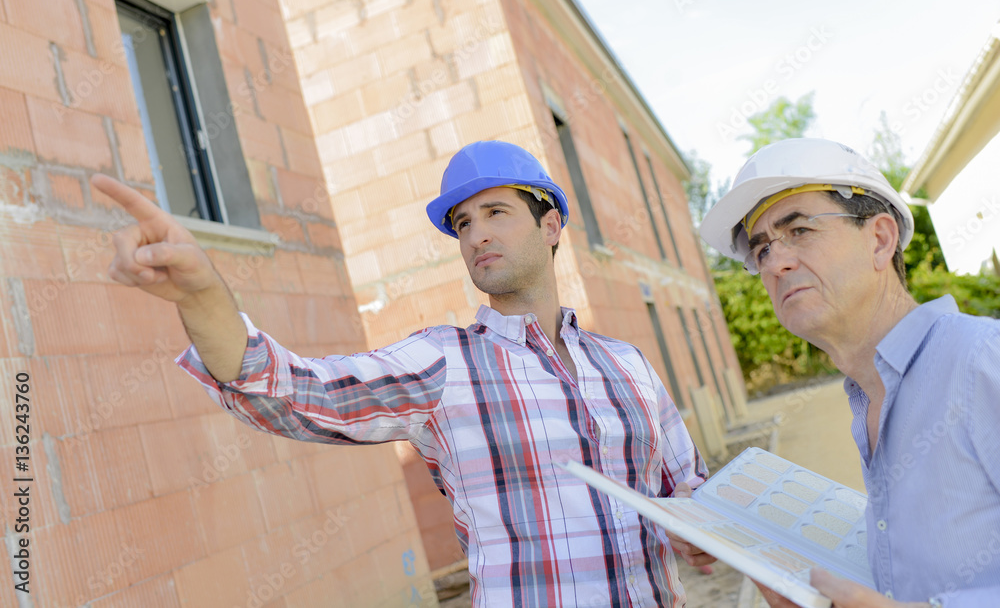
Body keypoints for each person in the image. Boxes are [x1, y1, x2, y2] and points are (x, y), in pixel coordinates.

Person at [93, 140, 709, 607]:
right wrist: (201, 295)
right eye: (463, 224)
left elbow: (691, 489)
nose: (476, 236)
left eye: (496, 213)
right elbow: (292, 391)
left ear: (551, 226)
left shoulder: (628, 365)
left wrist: (697, 529)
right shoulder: (444, 363)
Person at [697, 138, 1000, 607]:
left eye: (799, 230)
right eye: (761, 251)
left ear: (879, 239)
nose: (776, 263)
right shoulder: (869, 396)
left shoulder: (982, 358)